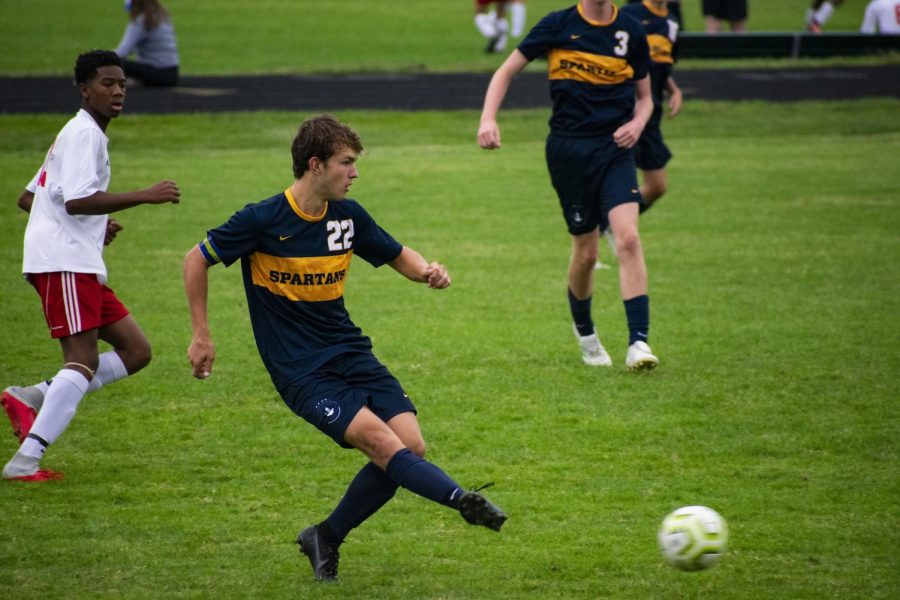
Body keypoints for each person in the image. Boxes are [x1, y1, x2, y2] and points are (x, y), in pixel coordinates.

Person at [183, 114, 507, 581]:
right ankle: (462, 500)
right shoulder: (262, 220)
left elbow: (396, 253)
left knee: (410, 445)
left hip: (351, 353)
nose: (354, 173)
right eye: (346, 163)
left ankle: (325, 536)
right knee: (382, 443)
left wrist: (427, 272)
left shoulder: (347, 217)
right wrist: (201, 334)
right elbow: (196, 258)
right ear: (316, 165)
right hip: (301, 371)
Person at [1, 50, 181, 482]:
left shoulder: (77, 133)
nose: (118, 91)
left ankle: (32, 396)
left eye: (121, 83)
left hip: (75, 258)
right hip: (64, 262)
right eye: (106, 83)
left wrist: (93, 229)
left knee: (136, 351)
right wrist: (145, 194)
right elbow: (77, 200)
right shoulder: (85, 135)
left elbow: (33, 198)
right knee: (81, 361)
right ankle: (25, 460)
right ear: (85, 90)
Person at [477, 0, 660, 371]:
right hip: (569, 151)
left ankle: (638, 343)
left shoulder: (631, 30)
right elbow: (505, 71)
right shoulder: (558, 25)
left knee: (628, 238)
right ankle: (587, 335)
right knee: (587, 252)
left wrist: (638, 125)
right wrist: (488, 119)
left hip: (616, 148)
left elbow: (645, 99)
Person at [621, 0, 683, 212]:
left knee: (657, 185)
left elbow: (658, 65)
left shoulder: (671, 22)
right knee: (615, 178)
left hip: (651, 112)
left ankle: (609, 223)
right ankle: (609, 224)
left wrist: (673, 89)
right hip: (624, 109)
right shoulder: (630, 14)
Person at [115, 0, 179, 86]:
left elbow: (122, 52)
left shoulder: (141, 21)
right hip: (171, 73)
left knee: (115, 63)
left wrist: (99, 60)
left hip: (157, 73)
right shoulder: (161, 15)